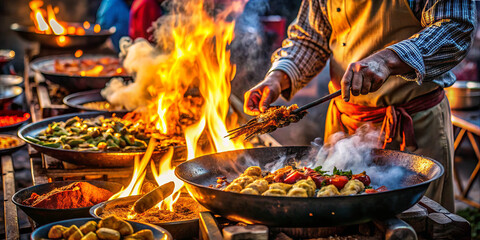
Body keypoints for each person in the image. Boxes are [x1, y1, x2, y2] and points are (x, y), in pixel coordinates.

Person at [243, 0, 476, 212]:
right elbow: (309, 37)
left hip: (413, 129)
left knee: (415, 221)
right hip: (343, 127)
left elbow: (456, 27)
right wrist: (278, 76)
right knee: (334, 217)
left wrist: (389, 59)